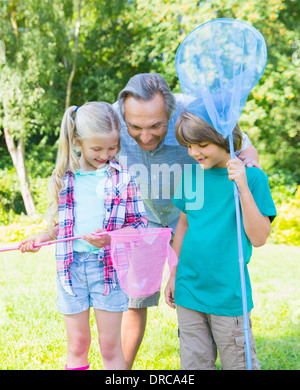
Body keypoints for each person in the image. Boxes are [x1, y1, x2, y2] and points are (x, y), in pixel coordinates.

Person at [112, 73, 261, 369]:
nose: (145, 136)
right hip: (144, 224)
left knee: (204, 293)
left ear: (171, 112)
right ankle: (120, 373)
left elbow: (242, 145)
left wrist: (249, 169)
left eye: (156, 126)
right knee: (134, 301)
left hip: (191, 218)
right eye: (135, 127)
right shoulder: (111, 119)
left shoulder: (193, 113)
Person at [19, 102, 147, 370]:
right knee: (77, 345)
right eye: (97, 149)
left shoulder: (123, 178)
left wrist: (111, 238)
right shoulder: (64, 177)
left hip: (108, 271)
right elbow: (61, 228)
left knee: (110, 348)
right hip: (70, 270)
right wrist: (42, 237)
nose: (106, 154)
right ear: (77, 141)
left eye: (112, 147)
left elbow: (139, 226)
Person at [164, 110, 277, 370]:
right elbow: (183, 225)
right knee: (193, 365)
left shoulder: (253, 178)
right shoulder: (191, 175)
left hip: (228, 294)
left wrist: (243, 187)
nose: (194, 152)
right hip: (189, 289)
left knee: (238, 364)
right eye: (189, 145)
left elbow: (259, 238)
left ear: (225, 138)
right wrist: (173, 273)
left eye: (202, 145)